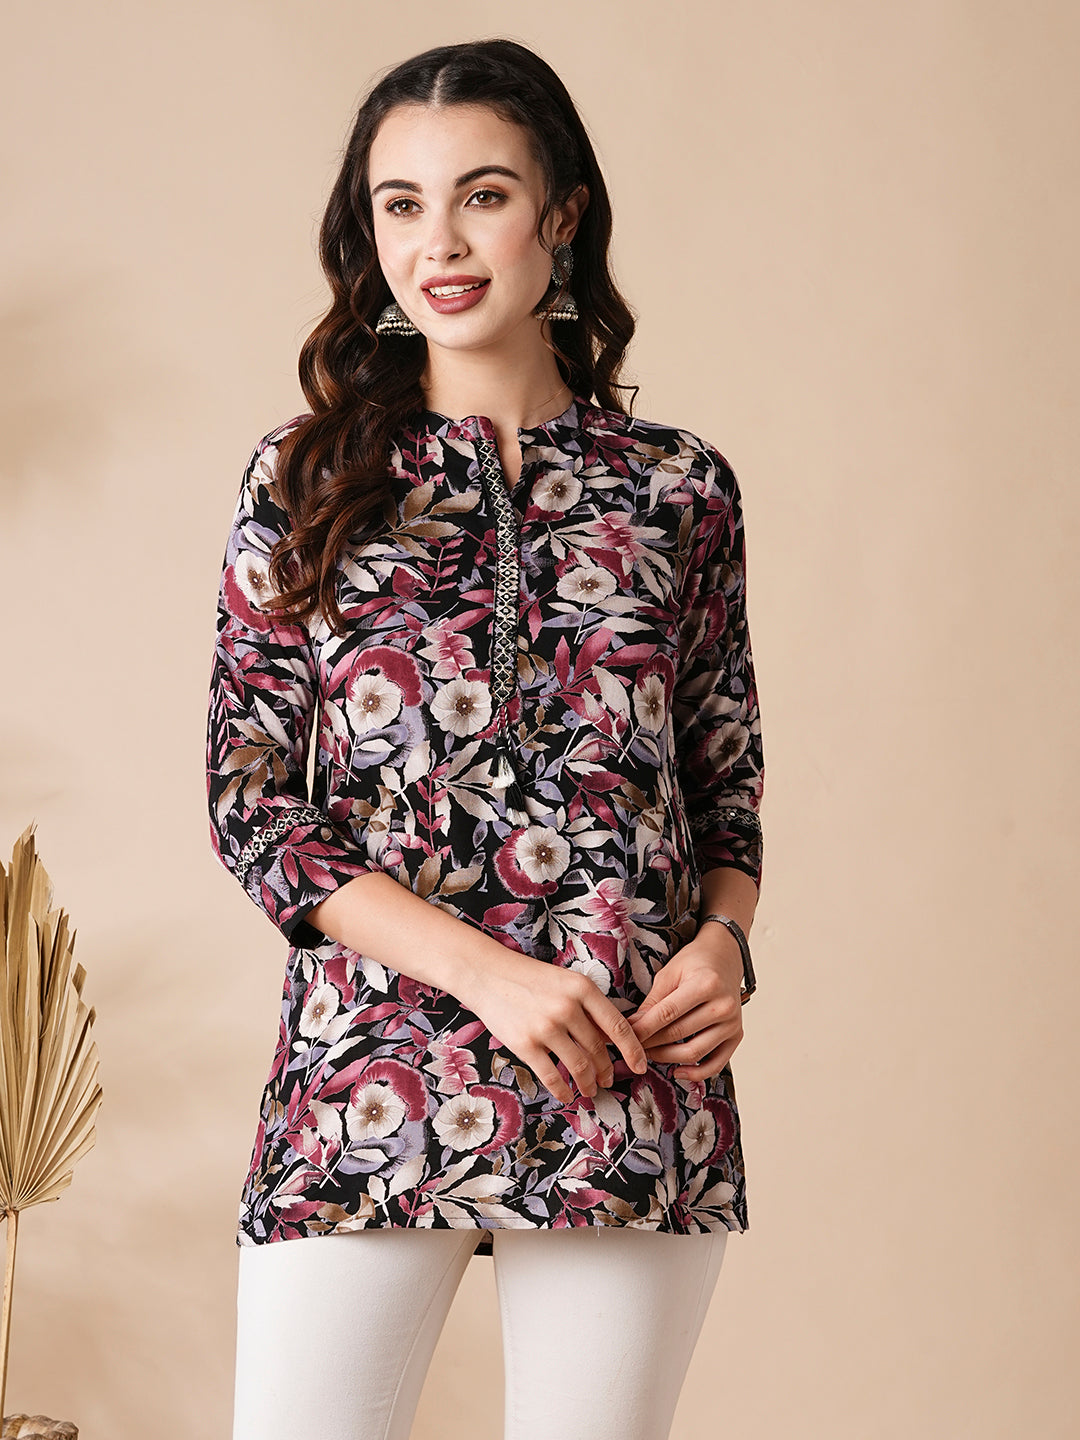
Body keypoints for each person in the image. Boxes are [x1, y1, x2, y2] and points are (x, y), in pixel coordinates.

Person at [206, 36, 764, 1440]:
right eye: (400, 204)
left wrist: (722, 945)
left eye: (484, 195)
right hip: (370, 1066)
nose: (438, 244)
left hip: (626, 1066)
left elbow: (722, 779)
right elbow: (254, 806)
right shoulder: (306, 477)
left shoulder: (678, 488)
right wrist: (489, 979)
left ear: (561, 215)